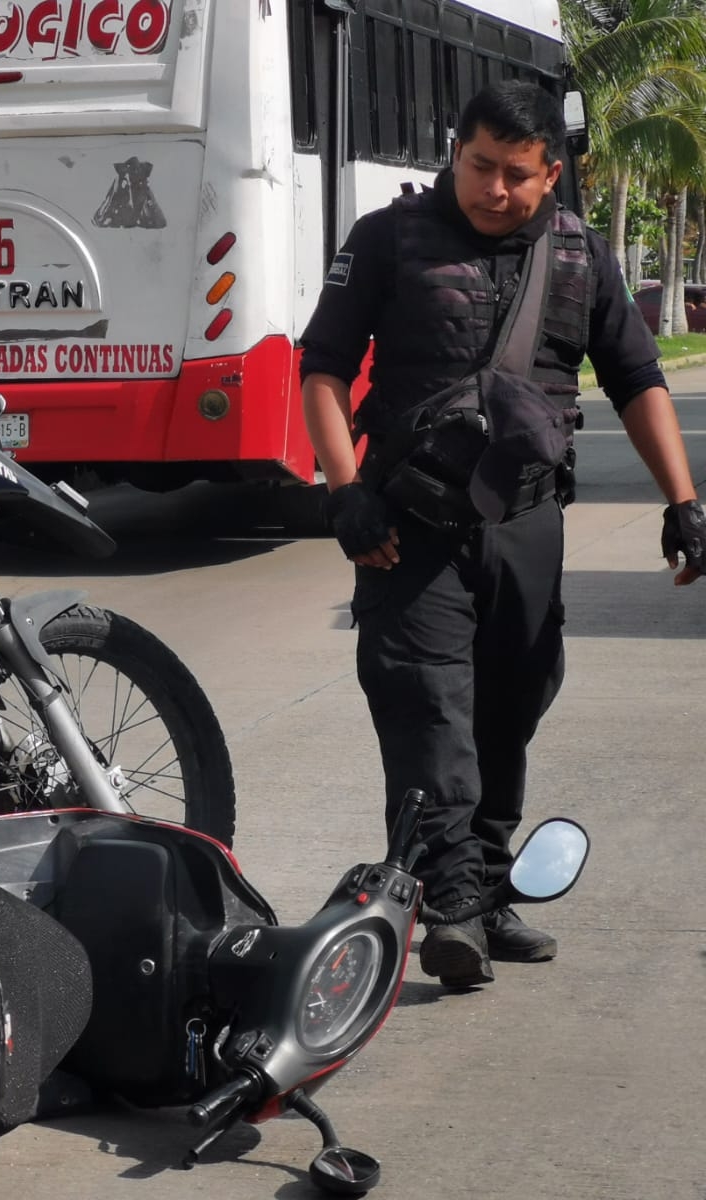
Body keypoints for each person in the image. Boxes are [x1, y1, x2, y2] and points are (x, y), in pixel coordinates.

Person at [299, 81, 705, 988]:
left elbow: (637, 378)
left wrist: (683, 502)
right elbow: (321, 368)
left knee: (511, 704)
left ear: (550, 172)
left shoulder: (579, 254)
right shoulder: (387, 240)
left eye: (517, 175)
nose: (494, 189)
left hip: (526, 522)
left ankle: (484, 882)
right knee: (429, 707)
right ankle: (448, 905)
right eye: (479, 166)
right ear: (456, 153)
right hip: (408, 526)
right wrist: (342, 491)